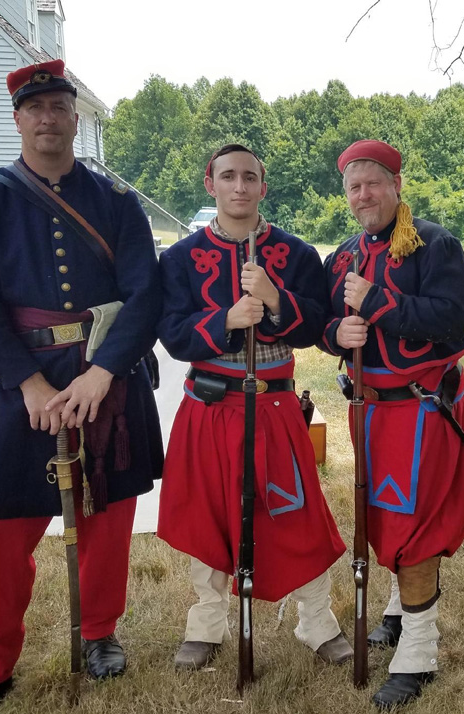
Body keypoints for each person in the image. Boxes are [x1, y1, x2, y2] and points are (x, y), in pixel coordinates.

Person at [0, 60, 164, 714]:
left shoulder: (116, 200)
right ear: (18, 118)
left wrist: (103, 374)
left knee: (108, 517)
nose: (49, 118)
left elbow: (145, 293)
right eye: (37, 108)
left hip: (105, 381)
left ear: (74, 116)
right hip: (18, 381)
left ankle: (99, 634)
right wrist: (27, 383)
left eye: (61, 106)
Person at [157, 144, 352, 671]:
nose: (239, 187)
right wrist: (224, 320)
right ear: (210, 184)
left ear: (263, 186)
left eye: (250, 177)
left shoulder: (295, 254)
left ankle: (316, 619)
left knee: (297, 512)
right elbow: (173, 334)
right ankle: (207, 620)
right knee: (209, 516)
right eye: (228, 176)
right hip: (210, 406)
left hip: (274, 405)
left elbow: (314, 327)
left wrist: (271, 296)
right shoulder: (178, 259)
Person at [320, 139, 464, 709]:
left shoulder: (436, 245)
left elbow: (453, 323)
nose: (365, 195)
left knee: (414, 526)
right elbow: (322, 319)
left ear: (396, 186)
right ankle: (396, 610)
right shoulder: (341, 254)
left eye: (375, 183)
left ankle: (419, 652)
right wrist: (336, 334)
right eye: (354, 187)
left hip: (422, 410)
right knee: (382, 514)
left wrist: (379, 302)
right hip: (368, 411)